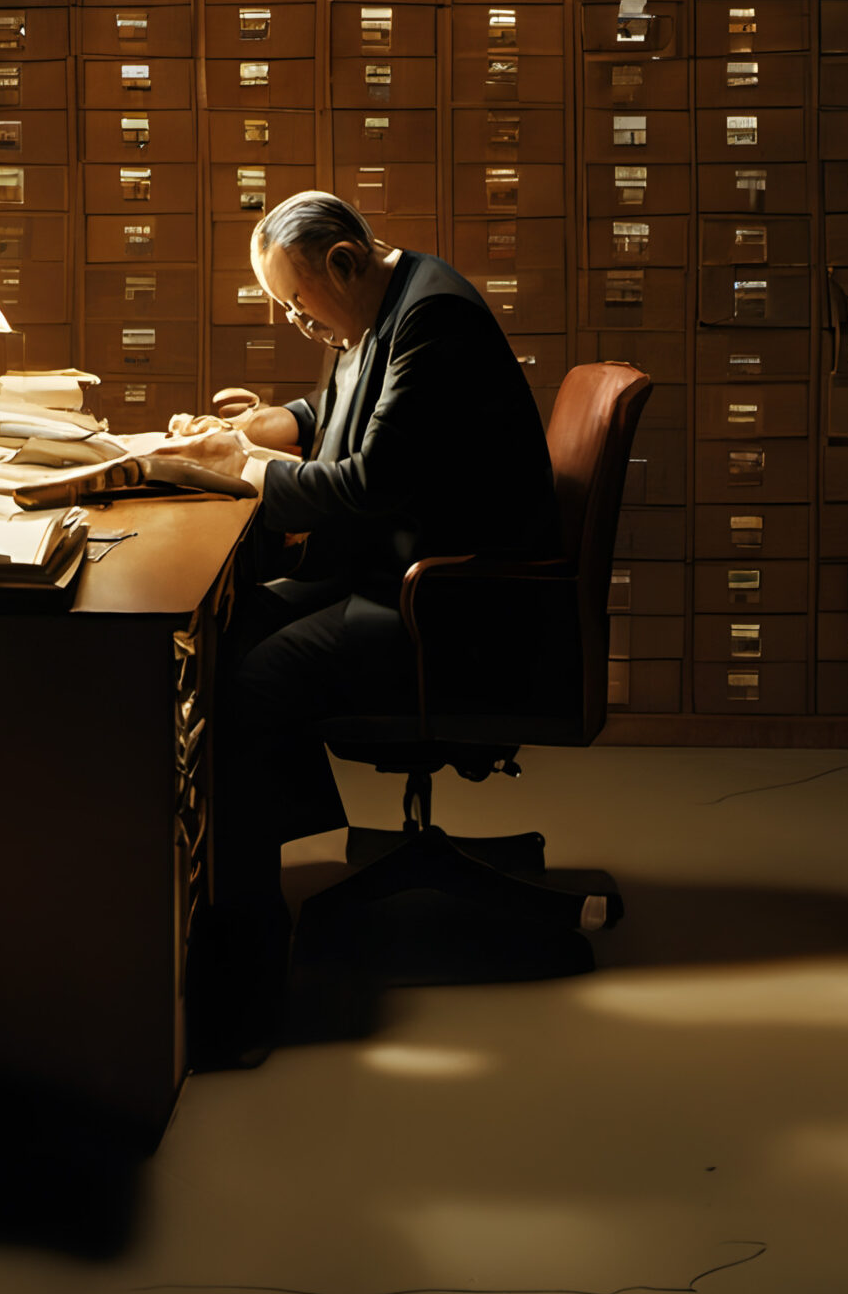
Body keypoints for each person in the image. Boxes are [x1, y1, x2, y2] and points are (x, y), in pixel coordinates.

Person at [152, 190, 556, 1067]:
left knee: (253, 682)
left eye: (299, 304)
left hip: (450, 611)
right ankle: (239, 893)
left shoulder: (433, 323)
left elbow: (369, 480)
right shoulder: (387, 304)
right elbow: (340, 404)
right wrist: (265, 426)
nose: (300, 323)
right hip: (397, 577)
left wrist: (247, 469)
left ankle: (254, 960)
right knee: (235, 628)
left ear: (342, 261)